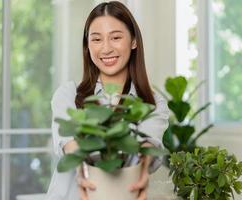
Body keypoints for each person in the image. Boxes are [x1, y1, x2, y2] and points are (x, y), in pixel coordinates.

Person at [45, 1, 169, 200]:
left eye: (116, 37)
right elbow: (68, 142)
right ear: (87, 45)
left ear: (134, 41)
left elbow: (149, 143)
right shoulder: (68, 94)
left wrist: (144, 168)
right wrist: (81, 169)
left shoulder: (152, 102)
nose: (106, 48)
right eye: (96, 39)